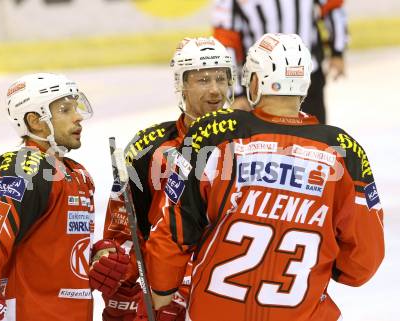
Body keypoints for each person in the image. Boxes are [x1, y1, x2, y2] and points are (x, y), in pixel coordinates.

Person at [143, 33, 384, 321]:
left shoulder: (214, 133)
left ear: (255, 81)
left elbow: (172, 233)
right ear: (305, 82)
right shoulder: (344, 149)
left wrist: (162, 297)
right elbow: (363, 261)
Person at [90, 37, 235, 321]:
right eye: (203, 80)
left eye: (221, 78)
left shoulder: (251, 143)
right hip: (163, 295)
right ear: (182, 84)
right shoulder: (147, 148)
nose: (216, 90)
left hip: (228, 294)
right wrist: (115, 262)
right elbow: (124, 232)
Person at [0, 73, 124, 321]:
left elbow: (58, 250)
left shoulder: (78, 174)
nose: (78, 116)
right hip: (29, 313)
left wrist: (97, 257)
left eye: (76, 107)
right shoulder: (25, 167)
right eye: (65, 110)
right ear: (35, 121)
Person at [212, 0, 347, 123]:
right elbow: (226, 40)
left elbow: (332, 7)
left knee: (314, 139)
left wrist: (337, 52)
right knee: (264, 143)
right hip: (259, 81)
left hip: (306, 76)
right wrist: (236, 93)